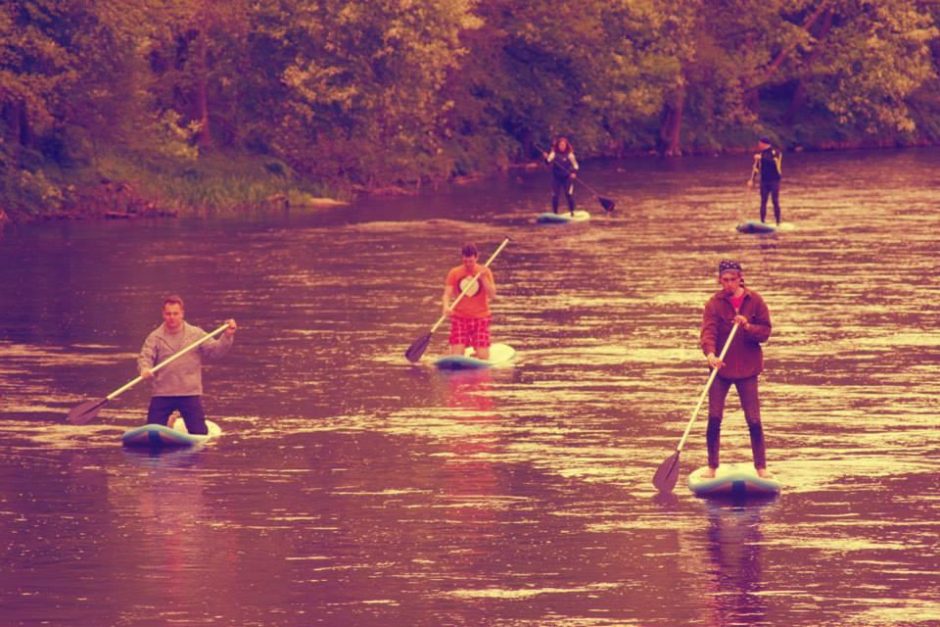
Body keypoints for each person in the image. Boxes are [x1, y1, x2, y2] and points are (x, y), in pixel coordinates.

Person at [700, 260, 772, 478]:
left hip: (748, 369)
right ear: (720, 280)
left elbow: (766, 332)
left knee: (754, 420)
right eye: (725, 280)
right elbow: (708, 332)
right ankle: (712, 467)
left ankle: (761, 467)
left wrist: (748, 326)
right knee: (714, 418)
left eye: (733, 280)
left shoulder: (755, 301)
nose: (729, 284)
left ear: (741, 278)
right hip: (720, 369)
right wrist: (711, 354)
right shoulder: (713, 303)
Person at [138, 294, 237, 435]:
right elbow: (145, 357)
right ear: (163, 314)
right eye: (168, 314)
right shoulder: (155, 337)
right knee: (152, 433)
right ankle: (168, 422)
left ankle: (175, 423)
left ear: (182, 314)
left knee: (199, 433)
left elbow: (216, 352)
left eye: (175, 313)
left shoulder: (195, 334)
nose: (172, 317)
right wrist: (145, 368)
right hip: (163, 393)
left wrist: (227, 336)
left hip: (189, 393)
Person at [442, 243, 497, 360]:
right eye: (465, 261)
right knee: (457, 357)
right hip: (460, 318)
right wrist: (446, 307)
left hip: (481, 317)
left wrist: (483, 278)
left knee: (483, 357)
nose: (468, 264)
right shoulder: (454, 272)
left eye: (471, 261)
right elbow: (447, 294)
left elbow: (492, 295)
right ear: (462, 258)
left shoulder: (485, 271)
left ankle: (477, 351)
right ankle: (454, 349)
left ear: (476, 258)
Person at [747, 136, 783, 225]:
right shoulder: (761, 154)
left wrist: (761, 158)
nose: (758, 145)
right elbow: (756, 168)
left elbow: (773, 162)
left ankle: (778, 222)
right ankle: (762, 221)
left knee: (775, 200)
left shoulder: (776, 153)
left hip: (774, 180)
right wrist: (752, 180)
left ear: (763, 144)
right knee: (763, 201)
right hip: (764, 181)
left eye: (760, 144)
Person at [544, 137, 579, 215]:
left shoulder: (570, 155)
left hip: (567, 178)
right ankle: (555, 214)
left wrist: (574, 173)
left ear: (566, 146)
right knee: (555, 196)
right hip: (556, 178)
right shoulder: (553, 153)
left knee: (569, 195)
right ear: (558, 145)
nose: (562, 146)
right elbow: (548, 162)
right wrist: (546, 158)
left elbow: (576, 165)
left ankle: (572, 213)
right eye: (560, 145)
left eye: (563, 145)